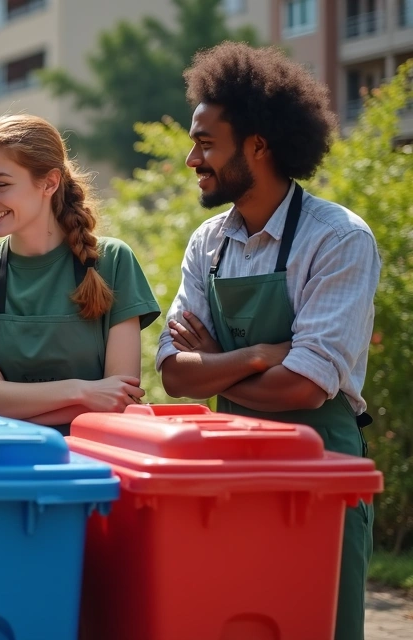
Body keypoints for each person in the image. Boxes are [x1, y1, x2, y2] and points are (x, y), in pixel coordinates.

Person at [158, 43, 379, 640]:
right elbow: (174, 374)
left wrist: (217, 363)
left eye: (206, 143)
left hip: (322, 479)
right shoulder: (208, 242)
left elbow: (304, 388)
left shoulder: (338, 239)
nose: (191, 159)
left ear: (257, 145)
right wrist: (257, 356)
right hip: (229, 482)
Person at [0, 114, 160, 435]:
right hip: (7, 458)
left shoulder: (113, 262)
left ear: (49, 183)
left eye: (1, 184)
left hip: (94, 457)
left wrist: (7, 400)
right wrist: (82, 391)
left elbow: (120, 400)